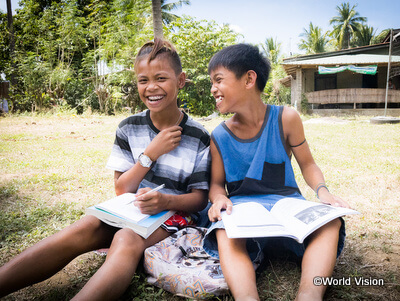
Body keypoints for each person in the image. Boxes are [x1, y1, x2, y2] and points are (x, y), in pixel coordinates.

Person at [0, 38, 211, 300]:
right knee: (83, 227)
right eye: (143, 80)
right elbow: (122, 188)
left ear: (180, 80)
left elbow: (200, 199)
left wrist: (165, 200)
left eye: (161, 78)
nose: (151, 87)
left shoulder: (199, 136)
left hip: (175, 216)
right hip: (131, 210)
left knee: (125, 239)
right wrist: (151, 153)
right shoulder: (128, 127)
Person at [203, 43, 350, 301]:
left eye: (218, 80)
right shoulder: (219, 135)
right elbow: (216, 184)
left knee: (331, 223)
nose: (213, 88)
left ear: (249, 79)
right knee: (224, 230)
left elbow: (308, 164)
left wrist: (323, 191)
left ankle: (309, 295)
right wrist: (219, 199)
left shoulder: (286, 118)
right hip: (243, 215)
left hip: (287, 208)